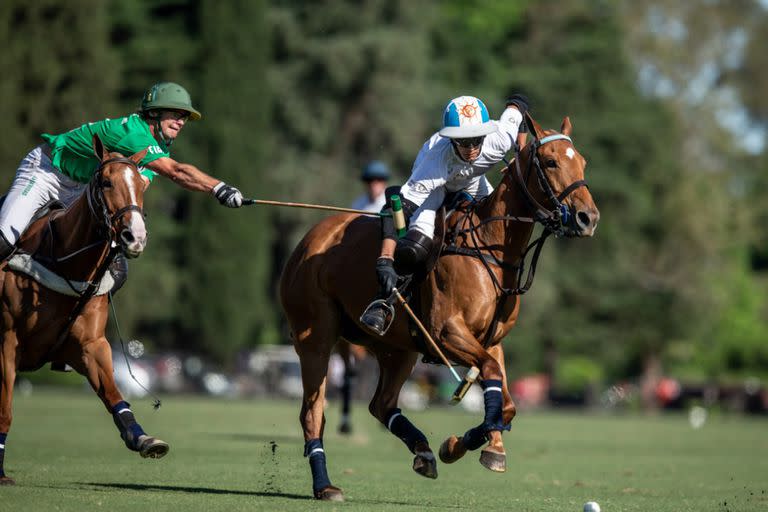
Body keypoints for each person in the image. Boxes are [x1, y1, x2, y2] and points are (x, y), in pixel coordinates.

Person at [0, 81, 244, 290]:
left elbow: (133, 191)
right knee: (4, 239)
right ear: (155, 113)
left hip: (82, 189)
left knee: (116, 271)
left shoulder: (156, 148)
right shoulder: (132, 133)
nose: (181, 121)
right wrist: (218, 188)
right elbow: (177, 172)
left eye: (184, 117)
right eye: (175, 114)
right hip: (46, 172)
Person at [360, 94, 529, 335]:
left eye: (476, 140)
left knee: (502, 227)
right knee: (415, 247)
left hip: (472, 181)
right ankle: (384, 302)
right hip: (438, 186)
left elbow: (518, 104)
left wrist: (520, 154)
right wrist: (385, 260)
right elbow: (393, 212)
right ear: (451, 138)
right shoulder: (434, 162)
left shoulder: (499, 138)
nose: (471, 148)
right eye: (463, 141)